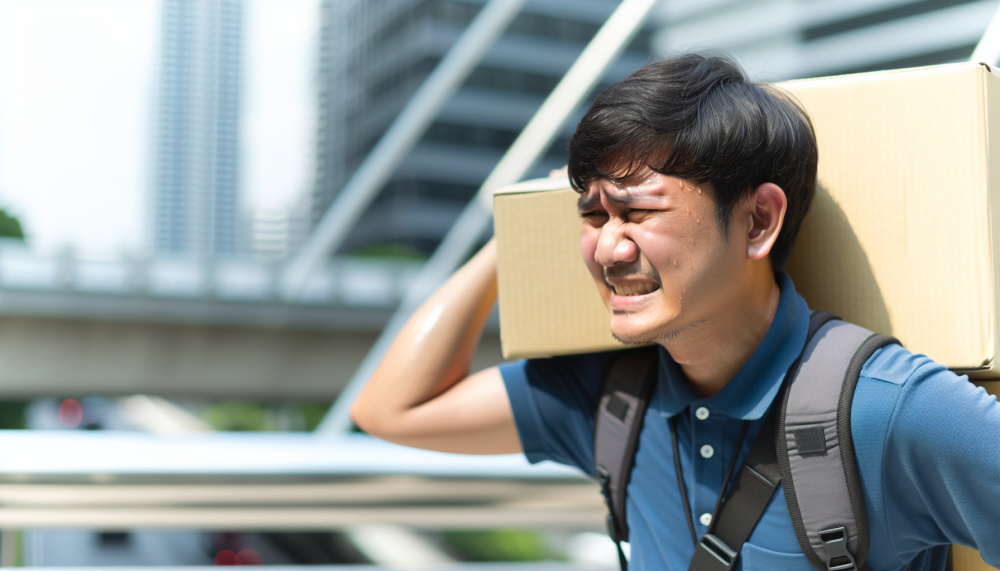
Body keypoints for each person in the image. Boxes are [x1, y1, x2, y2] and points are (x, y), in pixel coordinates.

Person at [350, 53, 1000, 570]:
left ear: (758, 220)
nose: (607, 246)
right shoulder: (612, 402)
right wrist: (510, 240)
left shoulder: (886, 409)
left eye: (637, 211)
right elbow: (388, 409)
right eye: (591, 215)